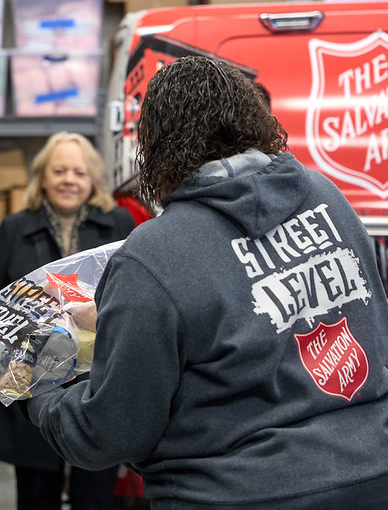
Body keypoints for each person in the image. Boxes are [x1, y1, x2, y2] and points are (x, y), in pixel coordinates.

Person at [23, 56, 388, 508]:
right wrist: (118, 325)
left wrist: (37, 387)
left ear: (154, 147)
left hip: (232, 493)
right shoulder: (327, 197)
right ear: (251, 119)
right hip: (373, 476)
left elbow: (109, 434)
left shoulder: (153, 255)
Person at [0, 132, 136, 510]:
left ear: (94, 180)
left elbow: (134, 302)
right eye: (59, 170)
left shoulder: (119, 223)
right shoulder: (14, 227)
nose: (69, 179)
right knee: (36, 494)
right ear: (43, 177)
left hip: (99, 384)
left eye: (80, 172)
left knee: (95, 497)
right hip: (30, 383)